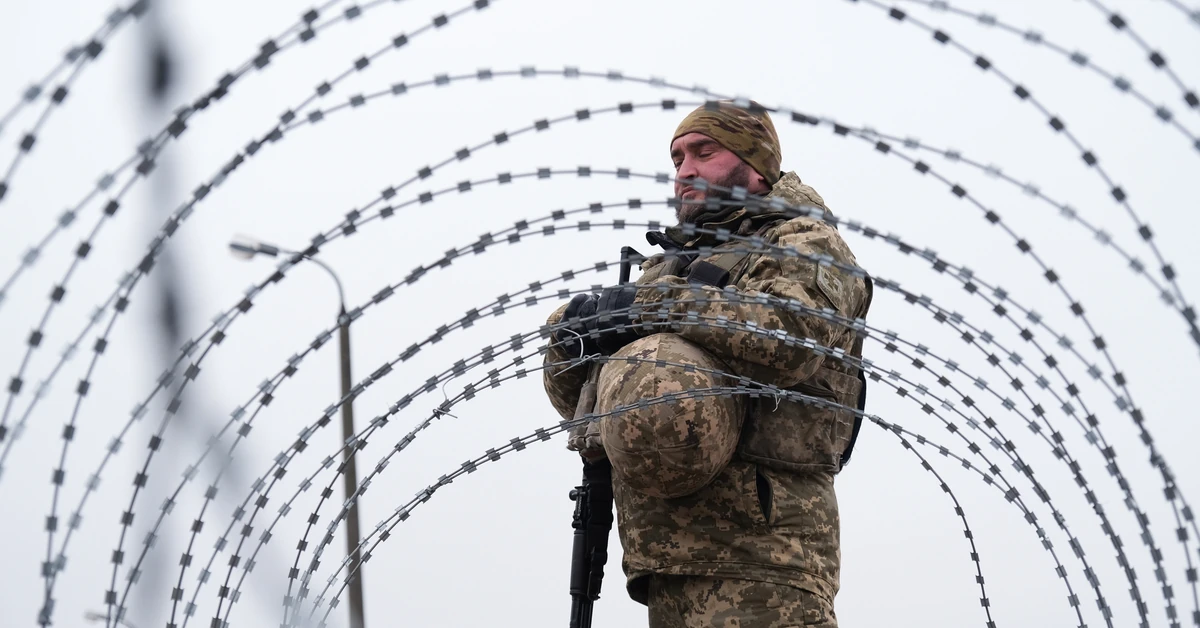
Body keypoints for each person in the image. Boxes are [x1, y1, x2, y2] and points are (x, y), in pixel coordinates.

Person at [543, 101, 872, 628]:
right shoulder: (668, 265)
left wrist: (649, 307)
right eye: (676, 159)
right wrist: (572, 337)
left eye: (703, 152)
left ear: (756, 164)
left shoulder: (803, 243)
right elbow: (585, 409)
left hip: (765, 561)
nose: (685, 171)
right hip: (668, 561)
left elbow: (792, 337)